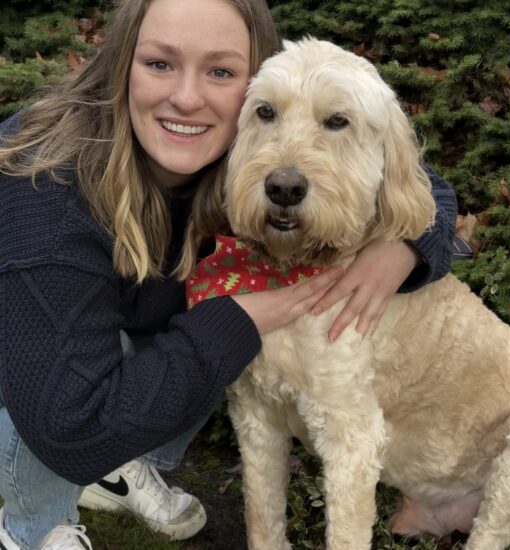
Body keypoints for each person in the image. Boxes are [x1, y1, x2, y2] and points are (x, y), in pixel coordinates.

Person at [0, 0, 457, 548]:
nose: (188, 98)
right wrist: (233, 319)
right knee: (68, 389)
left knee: (178, 354)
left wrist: (407, 247)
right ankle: (32, 528)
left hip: (122, 323)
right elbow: (68, 426)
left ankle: (119, 468)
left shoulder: (252, 128)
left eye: (220, 71)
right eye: (160, 64)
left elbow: (411, 174)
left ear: (254, 80)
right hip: (32, 356)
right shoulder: (43, 189)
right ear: (121, 64)